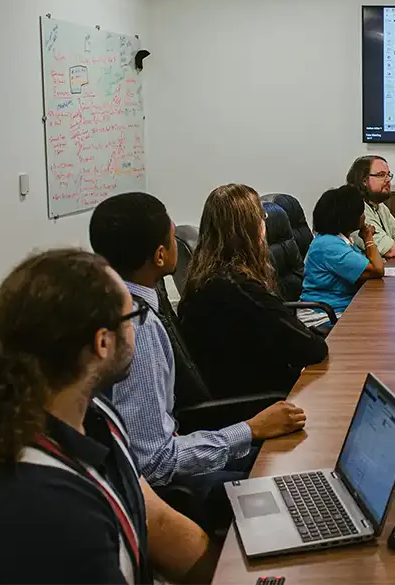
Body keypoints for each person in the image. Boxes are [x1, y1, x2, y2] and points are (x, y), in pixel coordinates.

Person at [0, 249, 215, 584]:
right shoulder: (41, 508)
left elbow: (157, 523)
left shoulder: (96, 418)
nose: (137, 329)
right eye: (133, 316)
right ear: (102, 342)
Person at [89, 192, 307, 530]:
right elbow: (155, 464)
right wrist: (251, 429)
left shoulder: (115, 305)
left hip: (177, 453)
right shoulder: (136, 328)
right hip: (171, 490)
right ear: (160, 256)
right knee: (299, 481)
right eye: (171, 235)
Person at [179, 184, 328, 398]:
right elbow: (311, 349)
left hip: (236, 387)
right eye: (262, 217)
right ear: (251, 229)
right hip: (260, 403)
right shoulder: (239, 287)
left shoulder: (206, 276)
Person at [301, 185, 385, 317]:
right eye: (361, 213)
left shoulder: (340, 240)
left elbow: (368, 265)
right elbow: (377, 269)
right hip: (323, 314)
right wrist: (368, 237)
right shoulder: (329, 245)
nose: (364, 217)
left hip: (341, 307)